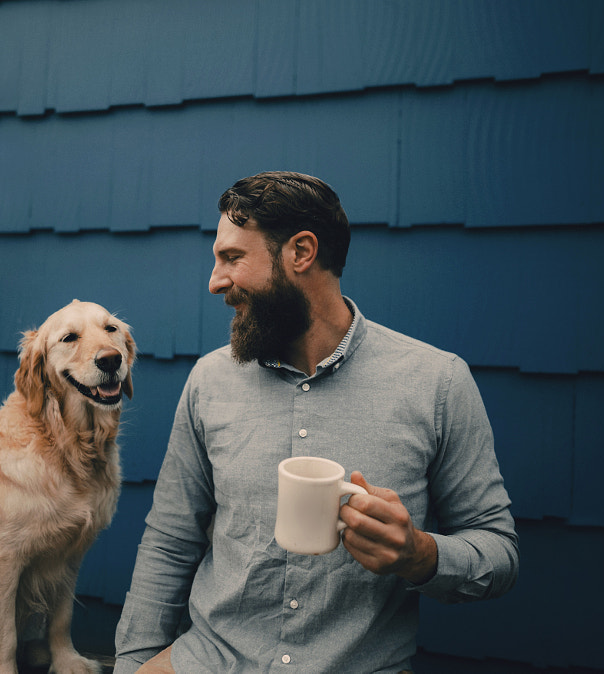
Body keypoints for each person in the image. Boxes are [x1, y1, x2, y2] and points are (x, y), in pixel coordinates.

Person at [114, 171, 519, 673]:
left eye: (233, 258)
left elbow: (498, 551)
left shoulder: (437, 383)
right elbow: (170, 542)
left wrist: (419, 554)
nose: (216, 281)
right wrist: (132, 666)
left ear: (301, 252)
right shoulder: (209, 381)